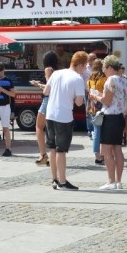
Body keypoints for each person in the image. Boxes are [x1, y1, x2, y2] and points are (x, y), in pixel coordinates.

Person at [44, 51, 87, 190]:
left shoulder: (56, 73)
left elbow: (45, 91)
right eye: (85, 66)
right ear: (80, 65)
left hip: (50, 114)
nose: (85, 69)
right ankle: (62, 182)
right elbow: (79, 103)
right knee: (61, 150)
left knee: (52, 148)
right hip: (64, 116)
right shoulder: (78, 79)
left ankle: (54, 179)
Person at [91, 55, 127, 190]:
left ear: (109, 67)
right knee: (118, 149)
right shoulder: (124, 80)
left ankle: (111, 181)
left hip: (110, 117)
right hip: (120, 116)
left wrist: (95, 96)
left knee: (107, 150)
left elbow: (106, 101)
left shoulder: (110, 80)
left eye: (104, 67)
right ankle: (118, 181)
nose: (103, 70)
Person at [32, 51, 59, 167]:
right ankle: (55, 155)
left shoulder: (48, 70)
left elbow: (49, 88)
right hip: (56, 101)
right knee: (53, 129)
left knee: (39, 127)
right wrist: (39, 85)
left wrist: (40, 86)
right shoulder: (59, 71)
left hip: (47, 100)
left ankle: (43, 155)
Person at [87, 59, 107, 164]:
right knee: (101, 132)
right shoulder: (104, 79)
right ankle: (101, 155)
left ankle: (97, 155)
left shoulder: (90, 79)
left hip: (93, 107)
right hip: (102, 108)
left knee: (96, 132)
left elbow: (89, 94)